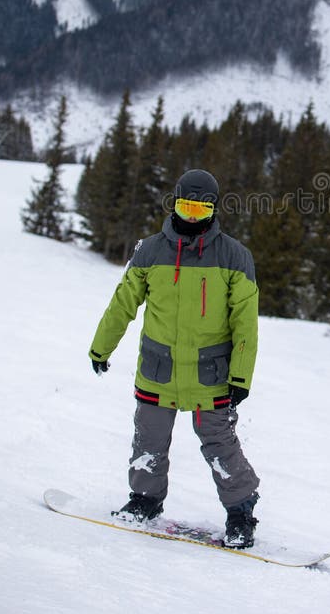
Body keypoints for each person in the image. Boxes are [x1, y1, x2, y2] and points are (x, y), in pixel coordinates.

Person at [88, 168, 260, 548]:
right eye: (185, 208)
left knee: (220, 445)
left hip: (211, 374)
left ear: (214, 210)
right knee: (148, 439)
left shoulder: (234, 256)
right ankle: (145, 501)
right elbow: (122, 305)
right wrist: (102, 346)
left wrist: (241, 376)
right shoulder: (149, 251)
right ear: (174, 204)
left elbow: (245, 324)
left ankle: (241, 512)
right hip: (157, 369)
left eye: (200, 211)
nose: (190, 218)